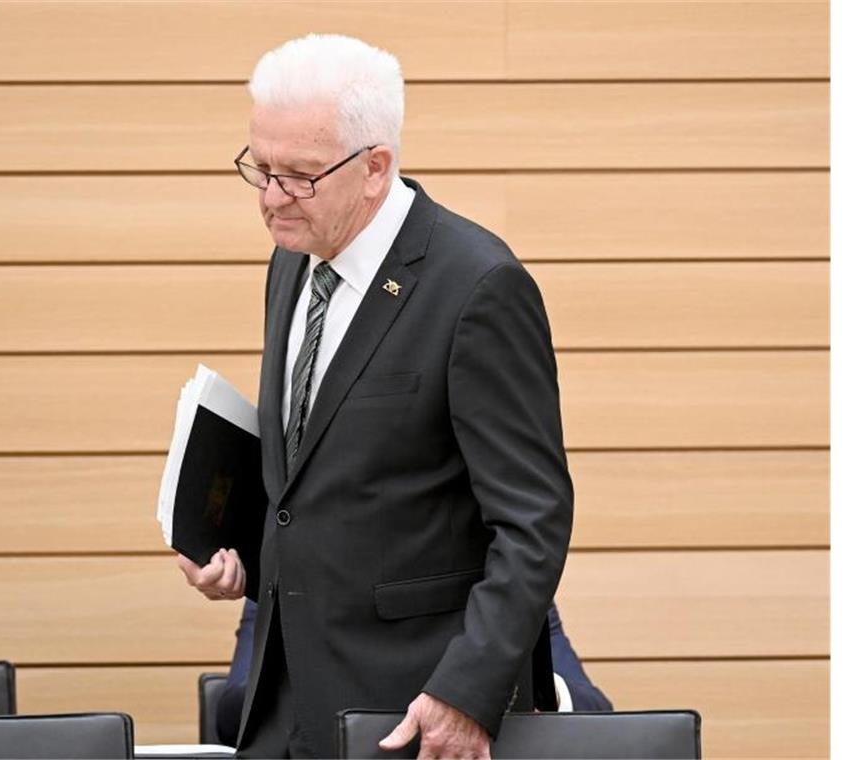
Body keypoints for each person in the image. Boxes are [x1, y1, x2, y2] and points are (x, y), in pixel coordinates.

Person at [177, 34, 573, 758]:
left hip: (414, 715)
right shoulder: (295, 259)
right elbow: (322, 472)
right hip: (283, 701)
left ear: (374, 168)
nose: (270, 200)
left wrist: (466, 693)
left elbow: (534, 520)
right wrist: (235, 549)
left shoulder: (478, 287)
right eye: (258, 168)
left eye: (296, 176)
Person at [214, 600, 611, 745]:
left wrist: (535, 690)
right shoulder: (283, 590)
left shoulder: (510, 601)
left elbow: (597, 710)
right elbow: (232, 713)